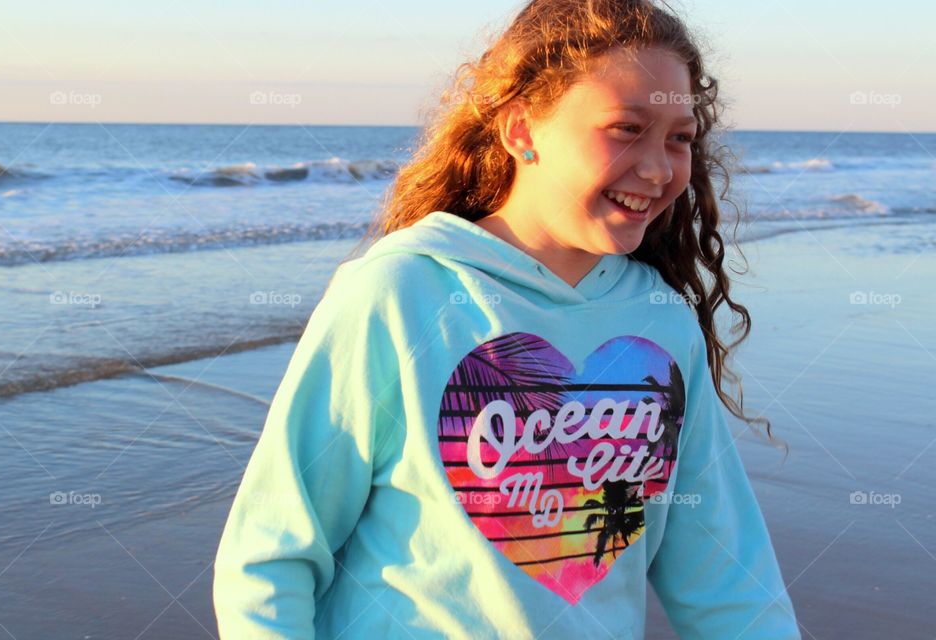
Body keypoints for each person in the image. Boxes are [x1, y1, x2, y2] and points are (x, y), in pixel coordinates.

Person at [213, 0, 803, 638]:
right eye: (626, 129)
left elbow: (727, 578)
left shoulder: (662, 323)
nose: (660, 168)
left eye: (679, 138)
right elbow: (270, 556)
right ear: (521, 131)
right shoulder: (400, 294)